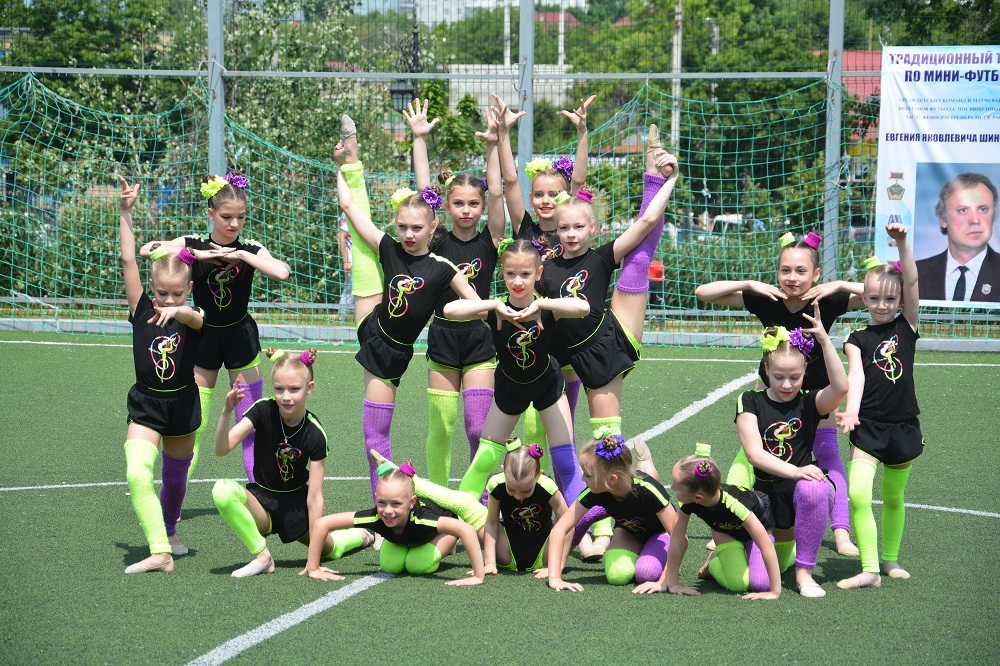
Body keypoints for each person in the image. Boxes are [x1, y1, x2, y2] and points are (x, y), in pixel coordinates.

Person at [694, 231, 863, 556]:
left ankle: (841, 532)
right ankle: (728, 522)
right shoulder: (768, 299)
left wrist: (840, 285)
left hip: (818, 397)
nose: (792, 278)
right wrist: (749, 284)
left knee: (828, 457)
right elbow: (703, 293)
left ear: (816, 274)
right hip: (772, 396)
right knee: (749, 457)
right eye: (785, 270)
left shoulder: (825, 300)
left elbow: (885, 296)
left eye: (801, 271)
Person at [335, 169, 481, 502]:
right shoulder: (390, 248)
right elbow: (348, 206)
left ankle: (398, 499)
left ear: (433, 226)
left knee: (377, 433)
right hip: (373, 330)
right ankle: (383, 506)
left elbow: (477, 305)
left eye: (416, 228)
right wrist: (342, 167)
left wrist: (508, 312)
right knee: (374, 435)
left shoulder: (442, 267)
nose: (408, 234)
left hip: (398, 350)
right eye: (402, 227)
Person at [137, 172, 290, 489]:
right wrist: (202, 255)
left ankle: (260, 493)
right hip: (201, 336)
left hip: (240, 338)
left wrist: (242, 255)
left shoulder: (249, 247)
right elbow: (147, 250)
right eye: (226, 217)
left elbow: (282, 272)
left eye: (240, 217)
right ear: (211, 213)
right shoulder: (193, 244)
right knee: (193, 425)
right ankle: (172, 499)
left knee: (250, 423)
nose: (234, 224)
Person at [439, 238, 589, 507]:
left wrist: (543, 305)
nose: (517, 281)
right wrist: (492, 306)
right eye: (510, 274)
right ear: (502, 273)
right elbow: (450, 310)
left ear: (538, 273)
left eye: (525, 274)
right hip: (510, 387)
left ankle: (582, 527)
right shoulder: (497, 310)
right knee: (484, 459)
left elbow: (583, 308)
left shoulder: (546, 309)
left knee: (565, 461)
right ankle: (461, 518)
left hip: (547, 385)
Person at [403, 99, 506, 487]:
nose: (466, 209)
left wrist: (493, 145)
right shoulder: (436, 239)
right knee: (442, 427)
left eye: (473, 203)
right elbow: (423, 191)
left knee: (478, 428)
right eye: (458, 203)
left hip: (480, 338)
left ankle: (479, 498)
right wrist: (419, 138)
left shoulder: (491, 239)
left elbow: (498, 193)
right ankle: (437, 497)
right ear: (444, 207)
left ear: (481, 207)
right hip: (443, 338)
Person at [211, 348, 372, 578]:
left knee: (331, 550)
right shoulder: (262, 409)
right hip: (261, 502)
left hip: (295, 508)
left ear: (309, 388)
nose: (286, 396)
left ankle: (361, 535)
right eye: (279, 389)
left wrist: (313, 565)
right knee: (222, 490)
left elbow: (315, 497)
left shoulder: (314, 433)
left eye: (294, 389)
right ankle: (263, 557)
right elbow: (221, 449)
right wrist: (227, 412)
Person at [117, 176, 204, 574]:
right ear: (152, 286)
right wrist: (125, 213)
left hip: (183, 403)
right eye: (163, 293)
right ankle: (160, 552)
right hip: (147, 404)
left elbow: (196, 319)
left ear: (189, 288)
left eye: (177, 293)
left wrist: (179, 310)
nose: (168, 300)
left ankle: (169, 531)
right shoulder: (141, 307)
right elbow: (128, 261)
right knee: (137, 472)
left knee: (175, 479)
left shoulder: (193, 316)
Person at [735, 306, 848, 598]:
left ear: (805, 372)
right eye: (779, 377)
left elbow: (841, 387)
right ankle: (721, 559)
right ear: (766, 371)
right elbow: (754, 454)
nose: (787, 385)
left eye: (795, 377)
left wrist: (825, 340)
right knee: (759, 583)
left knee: (815, 485)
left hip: (798, 496)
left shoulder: (810, 402)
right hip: (766, 504)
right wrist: (796, 470)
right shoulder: (750, 400)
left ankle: (804, 573)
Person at [836, 223, 922, 589]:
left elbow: (912, 281)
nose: (882, 305)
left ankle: (889, 559)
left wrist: (902, 243)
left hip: (903, 425)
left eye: (889, 299)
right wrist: (852, 410)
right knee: (858, 493)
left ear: (900, 300)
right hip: (868, 426)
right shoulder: (856, 338)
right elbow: (855, 376)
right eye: (874, 298)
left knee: (893, 497)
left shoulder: (907, 326)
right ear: (864, 298)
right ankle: (870, 570)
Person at [300, 464, 486, 586]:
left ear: (412, 502)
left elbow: (466, 529)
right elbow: (321, 524)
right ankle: (364, 537)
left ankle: (449, 543)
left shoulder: (422, 518)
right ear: (376, 498)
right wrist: (313, 567)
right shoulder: (376, 516)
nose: (388, 511)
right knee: (391, 566)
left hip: (438, 532)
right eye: (382, 503)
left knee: (417, 566)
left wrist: (478, 576)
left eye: (396, 504)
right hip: (406, 538)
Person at [633, 454, 781, 600]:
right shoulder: (687, 502)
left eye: (676, 487)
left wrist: (774, 592)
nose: (671, 487)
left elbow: (765, 545)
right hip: (725, 531)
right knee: (738, 584)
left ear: (698, 498)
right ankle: (713, 563)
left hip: (755, 533)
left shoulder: (736, 504)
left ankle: (732, 555)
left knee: (761, 584)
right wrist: (670, 584)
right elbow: (677, 541)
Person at [547, 434, 676, 590]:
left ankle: (646, 468)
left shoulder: (648, 490)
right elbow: (560, 529)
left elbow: (680, 537)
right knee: (616, 575)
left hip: (660, 532)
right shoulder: (595, 491)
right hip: (629, 531)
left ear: (612, 479)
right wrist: (554, 575)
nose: (582, 479)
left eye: (588, 475)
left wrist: (664, 582)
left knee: (646, 573)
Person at [485, 442, 571, 574]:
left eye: (526, 491)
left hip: (544, 554)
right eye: (511, 489)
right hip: (507, 553)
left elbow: (568, 524)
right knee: (480, 521)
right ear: (503, 471)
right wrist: (490, 562)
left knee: (565, 524)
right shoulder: (496, 484)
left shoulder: (547, 486)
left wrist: (558, 566)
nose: (518, 496)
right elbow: (491, 523)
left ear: (539, 475)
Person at [915, 172, 999, 302]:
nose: (975, 220)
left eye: (982, 209)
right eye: (963, 210)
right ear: (942, 218)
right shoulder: (916, 273)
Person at [338, 212, 354, 310]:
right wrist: (346, 261)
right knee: (350, 288)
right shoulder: (347, 213)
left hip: (362, 257)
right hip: (352, 258)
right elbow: (341, 237)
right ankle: (343, 314)